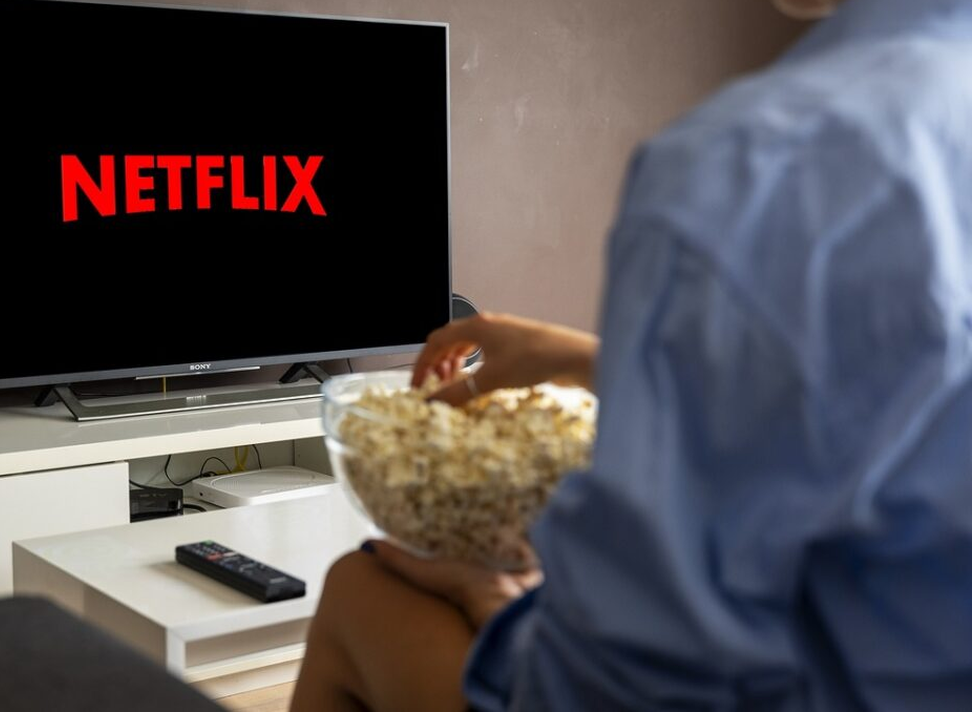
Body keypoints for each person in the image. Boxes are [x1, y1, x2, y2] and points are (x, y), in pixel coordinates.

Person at [290, 0, 972, 709]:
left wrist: (496, 597)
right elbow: (879, 401)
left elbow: (645, 668)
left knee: (358, 591)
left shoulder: (763, 157)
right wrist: (589, 359)